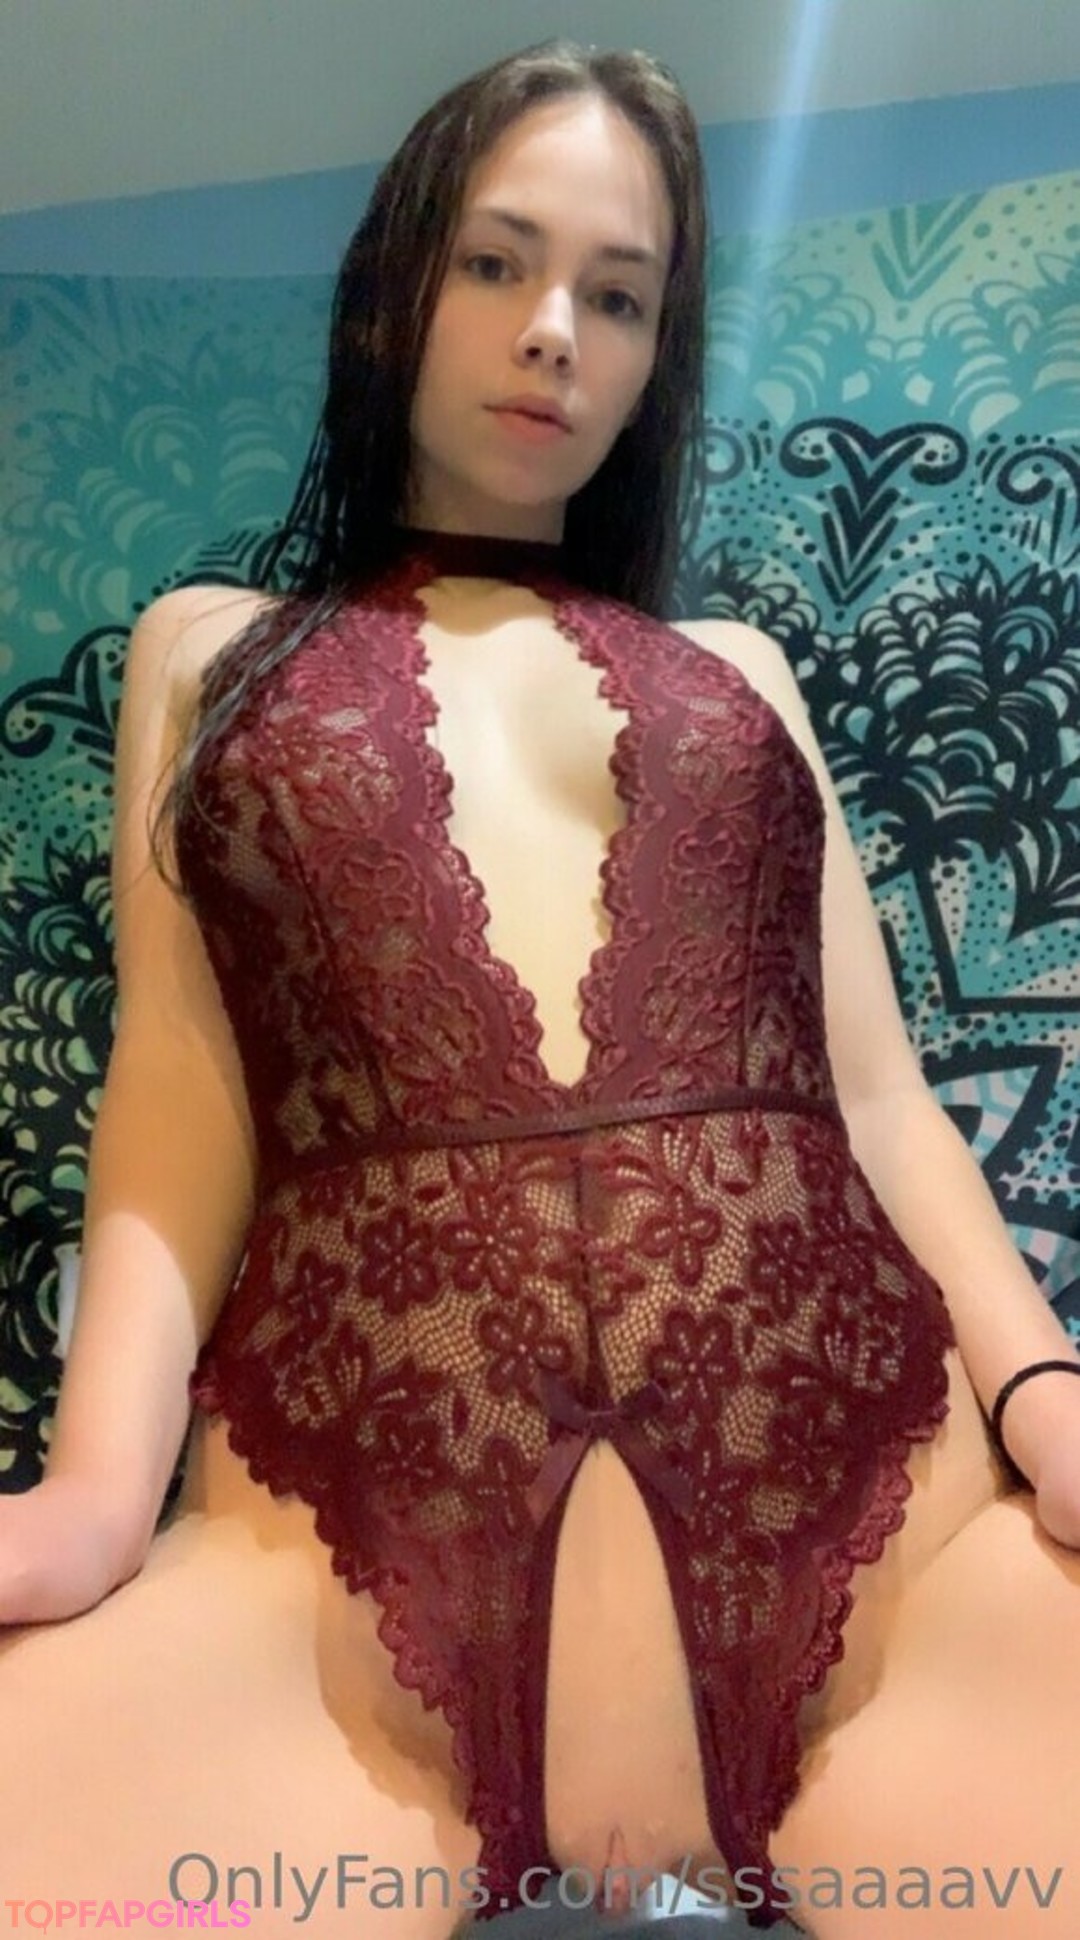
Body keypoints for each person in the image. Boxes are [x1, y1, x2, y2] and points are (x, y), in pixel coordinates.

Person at [2, 36, 1079, 1940]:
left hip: (899, 1582)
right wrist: (95, 1493)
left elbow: (881, 1101)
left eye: (620, 295)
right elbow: (177, 1090)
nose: (555, 331)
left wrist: (1052, 1398)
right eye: (497, 262)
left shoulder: (744, 675)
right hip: (330, 1634)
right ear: (392, 291)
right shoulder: (209, 653)